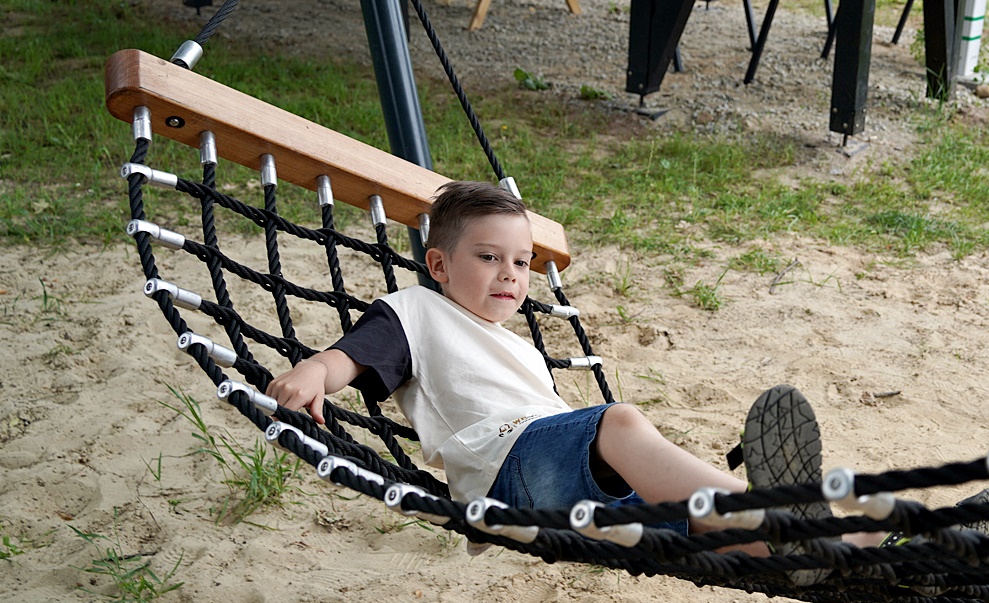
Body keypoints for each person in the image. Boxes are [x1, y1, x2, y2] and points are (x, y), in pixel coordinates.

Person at [266, 181, 883, 553]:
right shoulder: (417, 312)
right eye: (489, 257)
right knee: (619, 423)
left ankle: (844, 551)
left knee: (691, 526)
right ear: (439, 266)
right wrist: (315, 371)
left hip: (565, 485)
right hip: (505, 475)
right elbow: (354, 355)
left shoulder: (521, 350)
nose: (510, 274)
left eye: (522, 262)